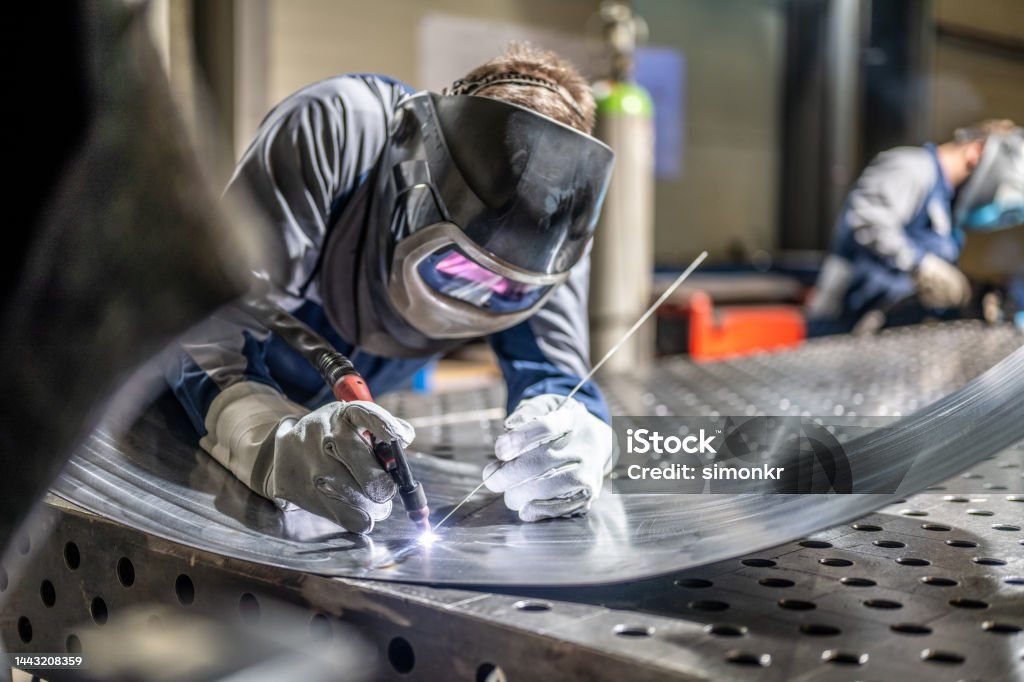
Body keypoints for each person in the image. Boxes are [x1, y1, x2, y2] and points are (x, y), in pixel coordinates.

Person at [165, 44, 617, 534]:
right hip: (188, 412)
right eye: (459, 265)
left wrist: (575, 434)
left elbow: (555, 375)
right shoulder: (339, 128)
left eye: (507, 288)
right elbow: (206, 320)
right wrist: (260, 432)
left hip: (341, 435)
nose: (480, 293)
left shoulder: (558, 235)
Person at [807, 119, 1023, 335]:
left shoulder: (946, 204)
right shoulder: (911, 167)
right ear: (976, 152)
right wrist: (920, 265)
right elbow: (869, 221)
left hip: (886, 336)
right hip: (845, 327)